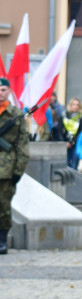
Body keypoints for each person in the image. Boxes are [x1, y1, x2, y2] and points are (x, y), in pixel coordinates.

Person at [0, 77, 29, 254]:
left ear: (9, 91)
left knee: (2, 206)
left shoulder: (16, 115)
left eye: (3, 89)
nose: (0, 93)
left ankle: (2, 240)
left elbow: (22, 146)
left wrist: (18, 171)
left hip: (6, 168)